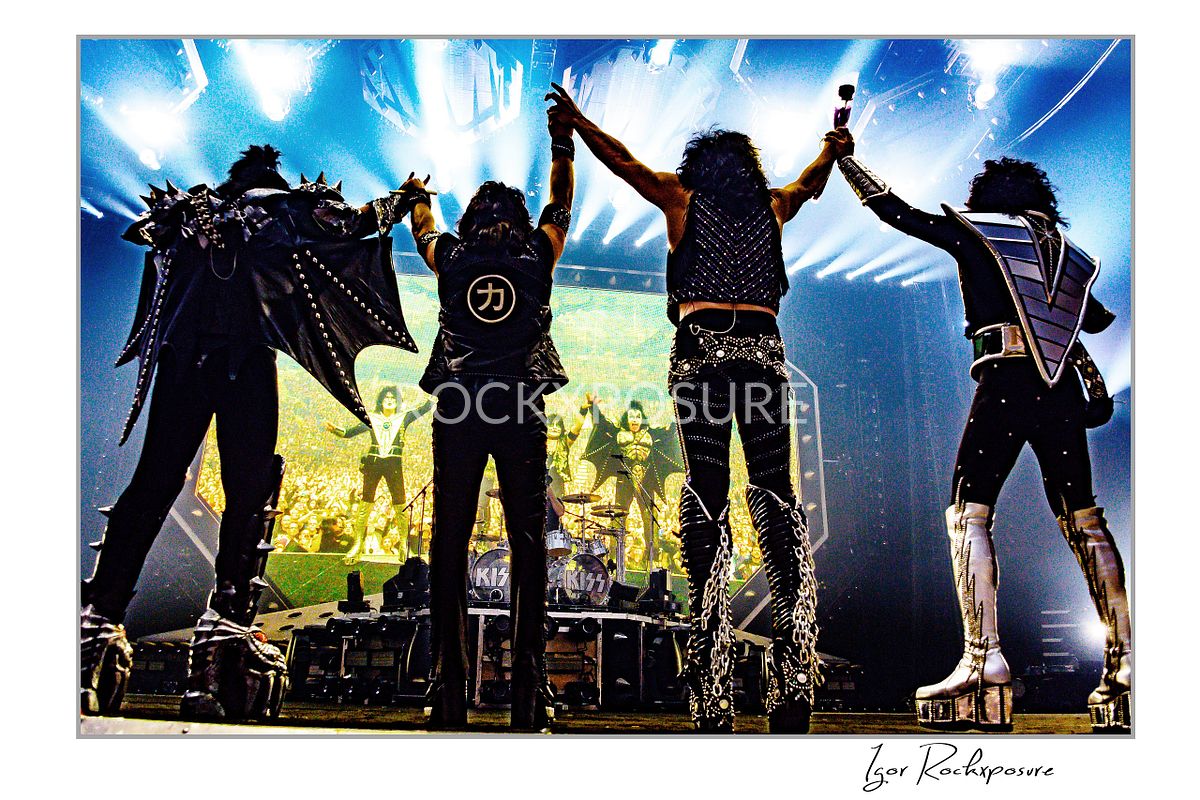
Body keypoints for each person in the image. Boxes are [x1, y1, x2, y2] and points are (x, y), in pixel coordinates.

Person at [546, 83, 852, 732]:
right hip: (765, 356)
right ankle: (793, 672)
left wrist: (576, 122)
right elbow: (811, 182)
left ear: (699, 168)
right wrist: (831, 146)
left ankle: (711, 680)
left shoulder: (681, 199)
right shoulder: (773, 206)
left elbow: (623, 162)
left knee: (707, 497)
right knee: (776, 496)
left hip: (703, 355)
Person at [81, 145, 418, 720]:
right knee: (250, 490)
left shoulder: (186, 213)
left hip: (182, 360)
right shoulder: (286, 207)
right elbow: (356, 223)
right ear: (274, 178)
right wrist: (404, 198)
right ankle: (225, 640)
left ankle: (96, 628)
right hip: (244, 360)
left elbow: (145, 242)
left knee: (154, 483)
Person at [836, 152, 1129, 732]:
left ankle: (983, 662)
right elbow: (1096, 320)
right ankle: (1127, 666)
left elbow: (899, 214)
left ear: (985, 195)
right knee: (1084, 519)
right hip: (1062, 389)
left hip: (1007, 379)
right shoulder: (1071, 255)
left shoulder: (981, 232)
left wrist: (847, 162)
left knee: (968, 512)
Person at [400, 96, 576, 731]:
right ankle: (530, 692)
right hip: (521, 404)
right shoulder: (538, 251)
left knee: (449, 538)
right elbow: (562, 206)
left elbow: (422, 230)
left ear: (471, 218)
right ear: (516, 217)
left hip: (460, 402)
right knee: (528, 543)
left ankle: (446, 687)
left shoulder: (451, 256)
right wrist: (563, 145)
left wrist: (419, 195)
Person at [326, 385, 432, 562]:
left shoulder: (403, 417)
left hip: (393, 463)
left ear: (396, 402)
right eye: (386, 398)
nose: (389, 401)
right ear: (380, 401)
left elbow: (424, 409)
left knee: (401, 504)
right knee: (365, 503)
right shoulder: (372, 418)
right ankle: (357, 544)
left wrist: (435, 393)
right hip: (373, 463)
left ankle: (403, 544)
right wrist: (335, 429)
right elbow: (348, 432)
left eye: (392, 399)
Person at [575, 393, 683, 568]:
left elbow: (670, 430)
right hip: (623, 480)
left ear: (642, 419)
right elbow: (601, 424)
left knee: (650, 519)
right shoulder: (618, 432)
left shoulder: (652, 434)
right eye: (632, 416)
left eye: (638, 416)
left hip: (646, 481)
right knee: (618, 518)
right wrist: (593, 407)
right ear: (627, 418)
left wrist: (680, 408)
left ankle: (651, 561)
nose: (635, 419)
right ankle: (614, 560)